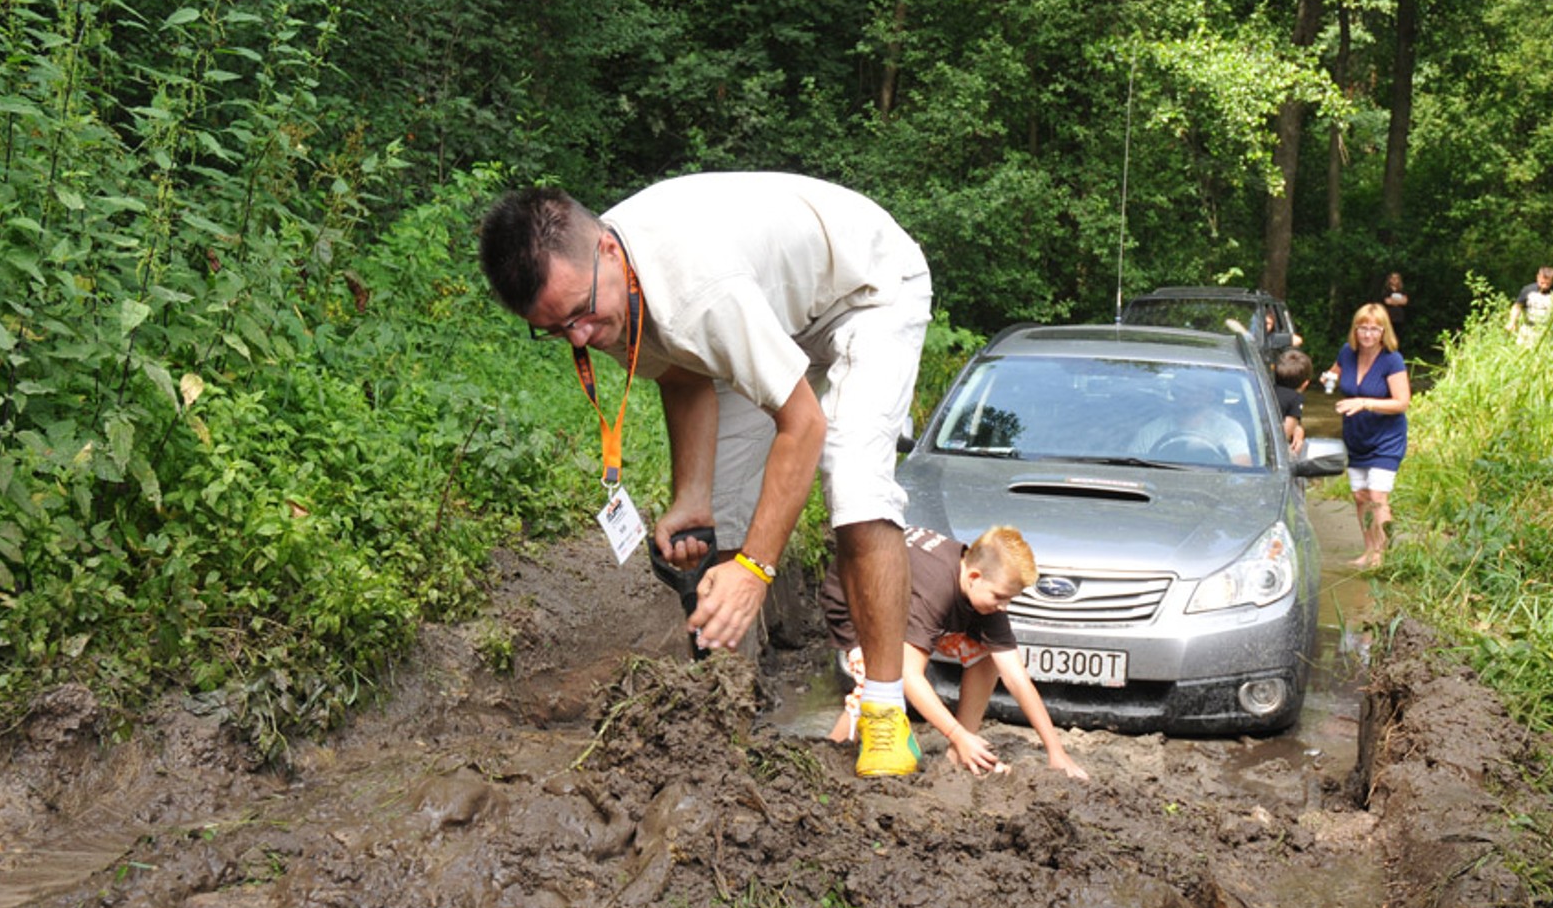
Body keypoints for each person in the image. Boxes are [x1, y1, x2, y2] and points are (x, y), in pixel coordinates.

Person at [478, 173, 933, 777]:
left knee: (853, 480)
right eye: (557, 329)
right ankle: (723, 717)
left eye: (582, 317)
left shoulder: (696, 290)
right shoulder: (595, 293)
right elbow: (683, 371)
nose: (580, 337)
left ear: (608, 250)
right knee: (719, 521)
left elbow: (804, 425)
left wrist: (756, 570)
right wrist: (691, 497)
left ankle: (884, 715)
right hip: (773, 309)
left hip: (867, 288)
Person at [821, 525, 1088, 781]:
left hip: (903, 597)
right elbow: (910, 676)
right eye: (1000, 597)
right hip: (857, 600)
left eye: (1010, 600)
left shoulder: (986, 593)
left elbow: (1016, 678)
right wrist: (955, 733)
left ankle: (960, 754)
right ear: (974, 578)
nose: (1004, 607)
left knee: (986, 655)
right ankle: (832, 754)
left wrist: (1056, 751)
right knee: (877, 681)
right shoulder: (936, 590)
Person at [1323, 303, 1410, 568]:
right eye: (1363, 328)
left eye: (1374, 329)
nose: (1368, 334)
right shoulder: (1347, 352)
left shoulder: (1391, 359)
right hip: (1356, 436)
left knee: (1377, 496)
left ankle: (1381, 556)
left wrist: (1364, 402)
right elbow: (1335, 372)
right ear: (1356, 329)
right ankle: (1368, 550)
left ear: (1383, 331)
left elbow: (1402, 402)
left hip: (1386, 439)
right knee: (1360, 497)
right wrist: (1328, 377)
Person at [1131, 369, 1254, 465]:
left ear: (1211, 395)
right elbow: (1133, 470)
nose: (1191, 393)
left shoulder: (1228, 430)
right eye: (1184, 387)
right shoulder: (1151, 431)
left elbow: (1242, 473)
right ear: (1174, 392)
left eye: (1199, 388)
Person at [1273, 346, 1313, 454]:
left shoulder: (1267, 389)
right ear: (1305, 384)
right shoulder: (1296, 398)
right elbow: (1285, 433)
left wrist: (1298, 428)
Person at [1507, 266, 1553, 345]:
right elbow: (1517, 307)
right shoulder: (1528, 290)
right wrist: (1512, 322)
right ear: (1537, 277)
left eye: (1547, 284)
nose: (1544, 286)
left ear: (1552, 281)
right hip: (1528, 329)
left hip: (1546, 331)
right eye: (1542, 283)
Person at [1381, 273, 1409, 340]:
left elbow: (1405, 301)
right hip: (1388, 316)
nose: (1394, 280)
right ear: (1389, 279)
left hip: (1399, 318)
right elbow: (1387, 301)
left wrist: (1393, 300)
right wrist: (1399, 300)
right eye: (1392, 278)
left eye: (1396, 278)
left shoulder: (1402, 290)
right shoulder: (1386, 290)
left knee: (1398, 337)